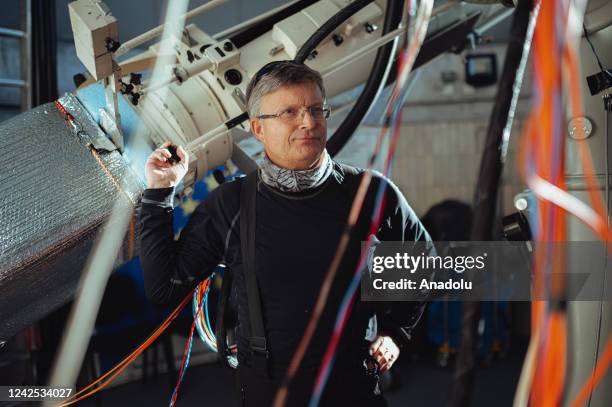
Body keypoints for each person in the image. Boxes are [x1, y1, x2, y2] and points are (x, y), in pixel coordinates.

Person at [139, 61, 432, 406]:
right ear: (258, 129)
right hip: (268, 391)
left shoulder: (371, 193)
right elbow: (165, 288)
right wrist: (159, 194)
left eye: (315, 109)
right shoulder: (231, 205)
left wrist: (396, 332)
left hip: (355, 387)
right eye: (289, 112)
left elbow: (424, 265)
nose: (308, 122)